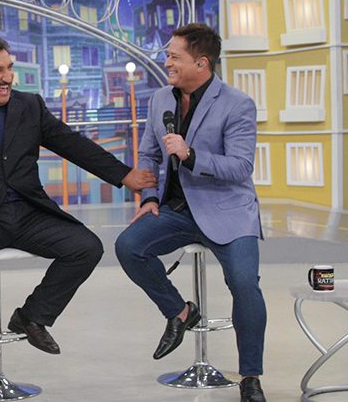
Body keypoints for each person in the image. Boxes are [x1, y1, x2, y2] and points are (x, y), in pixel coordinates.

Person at [0, 35, 156, 359]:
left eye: (9, 68)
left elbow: (72, 144)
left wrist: (124, 175)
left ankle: (32, 317)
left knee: (86, 247)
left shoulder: (30, 105)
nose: (7, 77)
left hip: (28, 211)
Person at [114, 23, 267, 402]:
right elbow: (148, 154)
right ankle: (180, 312)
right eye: (167, 55)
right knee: (128, 247)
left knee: (244, 284)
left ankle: (250, 377)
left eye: (173, 56)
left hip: (228, 210)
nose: (166, 62)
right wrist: (149, 198)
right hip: (177, 210)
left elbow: (240, 167)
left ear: (202, 63)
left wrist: (191, 155)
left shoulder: (237, 104)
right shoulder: (159, 100)